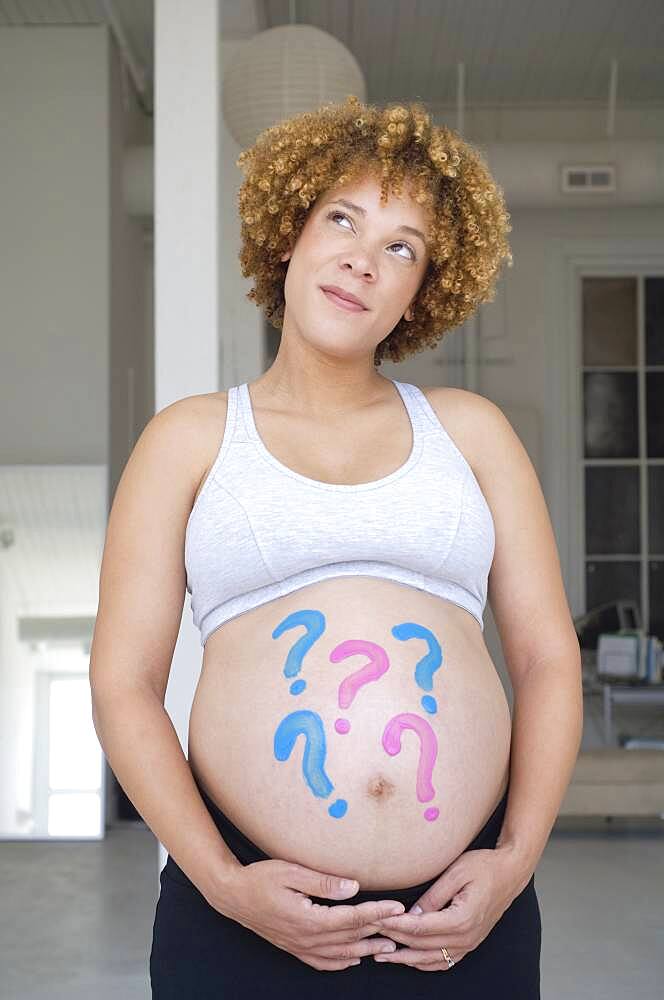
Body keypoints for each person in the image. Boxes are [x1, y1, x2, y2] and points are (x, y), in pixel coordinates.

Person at [89, 95, 583, 998]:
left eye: (403, 246)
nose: (363, 257)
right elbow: (123, 684)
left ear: (422, 289)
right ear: (291, 232)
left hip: (460, 914)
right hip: (239, 903)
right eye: (342, 219)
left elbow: (549, 659)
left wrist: (512, 862)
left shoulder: (471, 431)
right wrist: (224, 885)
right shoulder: (190, 438)